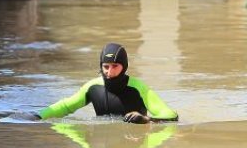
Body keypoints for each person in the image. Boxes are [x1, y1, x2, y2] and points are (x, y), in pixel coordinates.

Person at [33, 42, 178, 123]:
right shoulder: (93, 87)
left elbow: (171, 116)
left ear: (124, 66)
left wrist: (147, 120)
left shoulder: (138, 88)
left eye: (115, 66)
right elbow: (65, 107)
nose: (109, 72)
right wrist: (37, 116)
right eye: (106, 66)